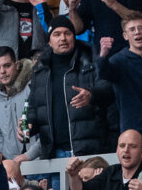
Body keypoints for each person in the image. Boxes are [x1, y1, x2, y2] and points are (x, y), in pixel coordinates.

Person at [28, 17, 117, 158]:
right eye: (57, 34)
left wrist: (92, 95)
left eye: (67, 33)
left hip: (90, 151)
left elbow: (108, 89)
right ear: (49, 41)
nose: (63, 38)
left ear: (74, 37)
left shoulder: (90, 59)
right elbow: (34, 107)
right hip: (54, 154)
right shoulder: (40, 70)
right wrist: (28, 124)